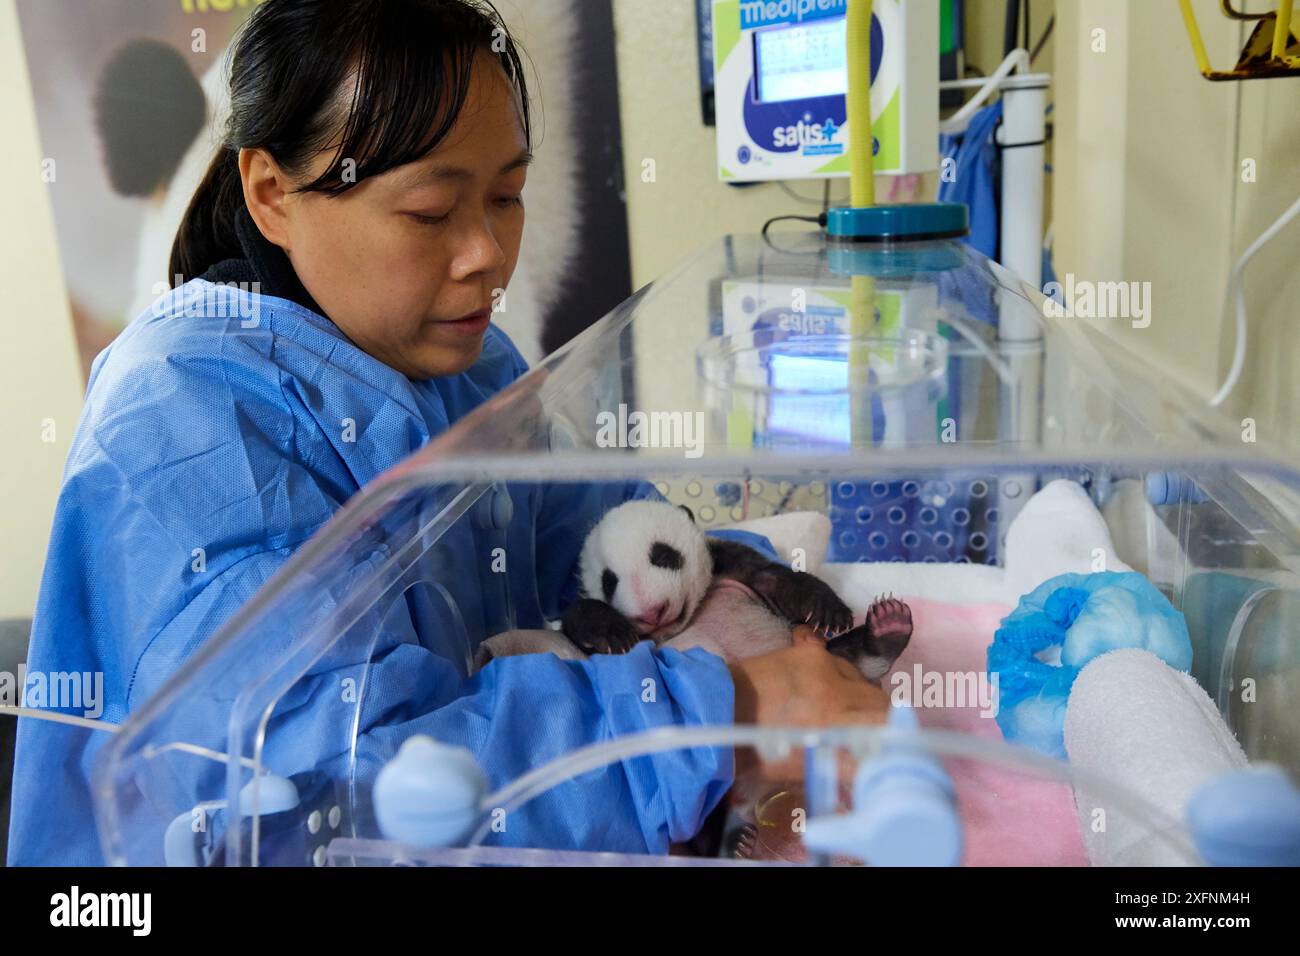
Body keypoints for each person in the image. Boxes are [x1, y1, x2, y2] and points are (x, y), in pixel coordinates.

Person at [7, 0, 887, 867]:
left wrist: (755, 604)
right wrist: (717, 709)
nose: (488, 256)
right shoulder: (184, 418)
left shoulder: (471, 366)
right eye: (432, 211)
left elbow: (603, 539)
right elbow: (328, 792)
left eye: (508, 196)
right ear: (273, 194)